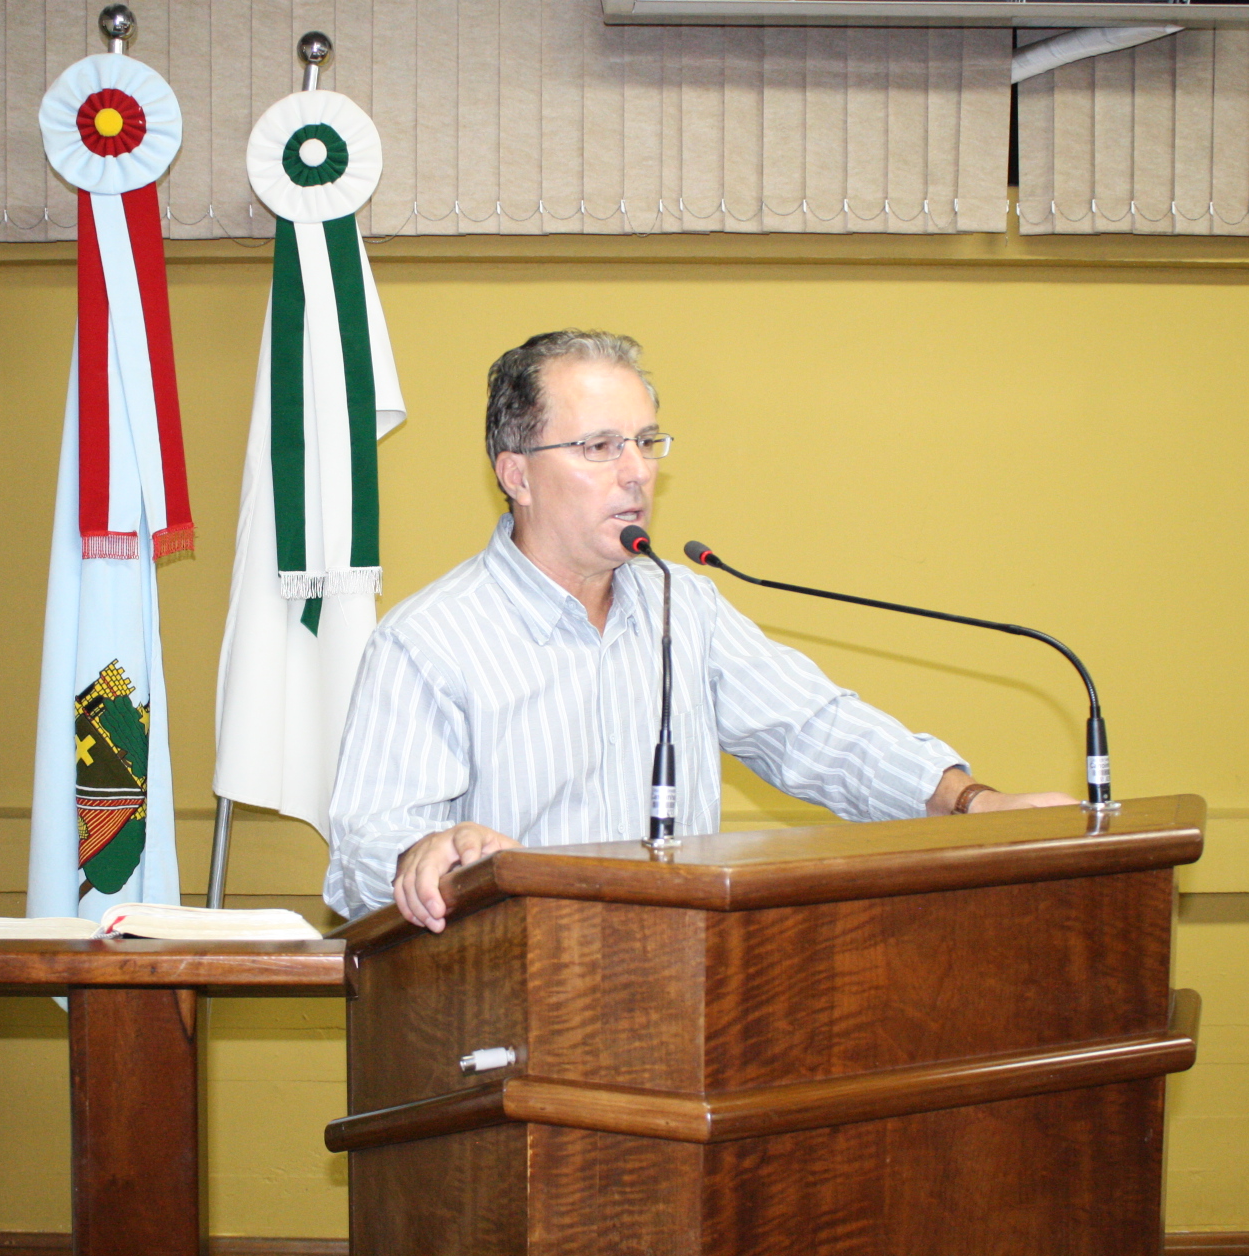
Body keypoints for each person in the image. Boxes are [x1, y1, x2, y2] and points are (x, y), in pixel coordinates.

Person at [323, 330, 1075, 929]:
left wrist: (970, 802)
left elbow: (817, 731)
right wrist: (426, 852)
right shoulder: (430, 640)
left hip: (690, 997)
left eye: (646, 443)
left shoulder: (682, 605)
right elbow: (361, 856)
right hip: (516, 1025)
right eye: (599, 447)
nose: (637, 473)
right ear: (516, 475)